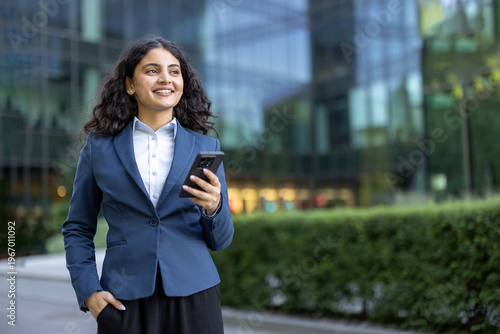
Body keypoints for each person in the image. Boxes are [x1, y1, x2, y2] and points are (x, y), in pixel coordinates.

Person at [62, 36, 234, 334]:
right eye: (152, 70)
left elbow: (221, 240)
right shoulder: (99, 149)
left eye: (174, 71)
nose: (165, 78)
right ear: (130, 84)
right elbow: (77, 227)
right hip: (124, 301)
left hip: (195, 299)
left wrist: (214, 208)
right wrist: (89, 292)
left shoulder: (205, 147)